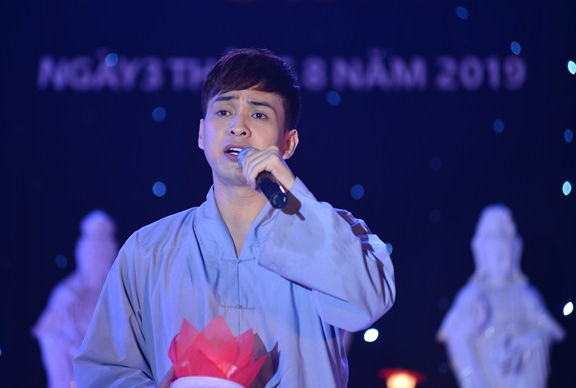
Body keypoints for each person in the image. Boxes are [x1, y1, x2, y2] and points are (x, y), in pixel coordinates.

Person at [74, 48, 396, 388]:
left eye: (258, 115)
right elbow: (104, 370)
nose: (238, 127)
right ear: (202, 134)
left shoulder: (333, 231)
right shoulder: (149, 250)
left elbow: (368, 302)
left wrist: (291, 191)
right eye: (224, 111)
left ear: (288, 143)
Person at [437, 204, 565, 388]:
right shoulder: (473, 295)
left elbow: (549, 331)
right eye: (494, 251)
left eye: (505, 250)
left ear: (515, 251)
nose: (500, 257)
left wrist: (522, 346)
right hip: (482, 378)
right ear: (482, 253)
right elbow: (451, 334)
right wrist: (469, 328)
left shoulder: (525, 294)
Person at [33, 209, 119, 388]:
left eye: (102, 254)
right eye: (93, 253)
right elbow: (49, 335)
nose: (97, 259)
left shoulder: (119, 294)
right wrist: (70, 349)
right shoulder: (66, 295)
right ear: (81, 254)